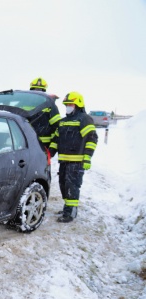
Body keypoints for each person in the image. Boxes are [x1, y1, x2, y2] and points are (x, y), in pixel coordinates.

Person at [49, 91, 98, 223]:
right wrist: (49, 153)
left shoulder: (84, 119)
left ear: (78, 105)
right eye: (66, 104)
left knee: (72, 185)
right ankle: (67, 207)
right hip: (64, 161)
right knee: (63, 185)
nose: (68, 106)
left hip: (77, 162)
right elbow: (56, 139)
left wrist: (87, 157)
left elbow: (92, 138)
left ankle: (70, 212)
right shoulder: (63, 121)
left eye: (70, 104)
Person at [28, 77, 62, 150]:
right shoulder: (23, 104)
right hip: (26, 144)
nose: (37, 92)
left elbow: (57, 127)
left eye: (40, 91)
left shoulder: (50, 106)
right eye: (35, 90)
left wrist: (52, 147)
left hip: (44, 147)